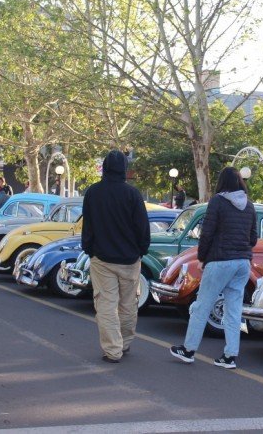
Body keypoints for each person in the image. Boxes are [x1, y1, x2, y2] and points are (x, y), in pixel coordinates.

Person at [171, 167, 257, 369]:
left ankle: (188, 350)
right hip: (243, 263)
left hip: (219, 261)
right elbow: (253, 238)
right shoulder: (249, 205)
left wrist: (202, 257)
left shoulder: (218, 201)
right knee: (234, 310)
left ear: (222, 182)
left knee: (202, 306)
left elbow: (207, 232)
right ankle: (230, 357)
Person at [81, 150, 150, 364]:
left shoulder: (93, 192)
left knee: (106, 304)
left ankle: (113, 349)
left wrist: (89, 248)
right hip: (130, 259)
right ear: (124, 169)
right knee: (128, 303)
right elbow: (142, 227)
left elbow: (88, 225)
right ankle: (125, 341)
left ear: (104, 167)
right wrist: (141, 250)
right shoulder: (132, 194)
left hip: (102, 258)